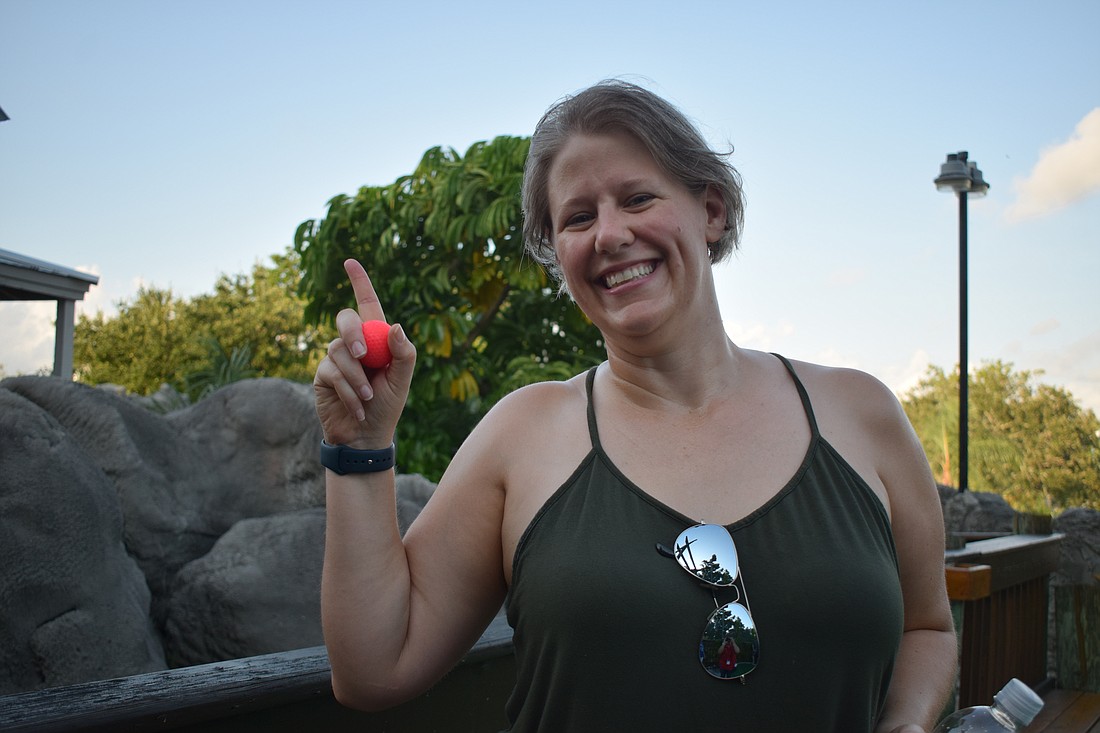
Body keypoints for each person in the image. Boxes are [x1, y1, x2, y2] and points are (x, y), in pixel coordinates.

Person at [313, 79, 957, 732]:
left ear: (711, 210)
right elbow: (374, 669)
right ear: (560, 257)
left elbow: (929, 625)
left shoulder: (862, 413)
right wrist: (361, 446)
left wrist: (907, 722)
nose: (610, 234)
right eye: (578, 217)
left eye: (638, 198)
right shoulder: (521, 435)